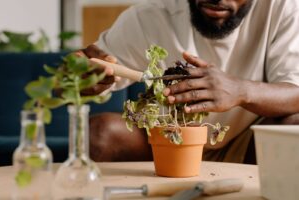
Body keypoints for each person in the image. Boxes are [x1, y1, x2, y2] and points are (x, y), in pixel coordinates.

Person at [78, 0, 299, 163]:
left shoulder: (283, 9)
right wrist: (80, 78)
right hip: (165, 142)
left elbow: (295, 92)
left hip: (246, 145)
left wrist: (241, 91)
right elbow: (81, 76)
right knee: (99, 134)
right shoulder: (150, 15)